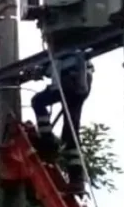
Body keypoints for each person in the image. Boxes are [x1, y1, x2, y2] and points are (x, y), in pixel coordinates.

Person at [29, 52, 94, 194]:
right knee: (70, 129)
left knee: (39, 102)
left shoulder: (62, 44)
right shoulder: (67, 47)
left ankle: (48, 142)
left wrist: (40, 70)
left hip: (70, 79)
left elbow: (56, 61)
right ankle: (76, 179)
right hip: (78, 80)